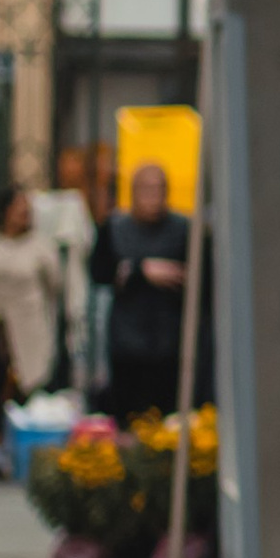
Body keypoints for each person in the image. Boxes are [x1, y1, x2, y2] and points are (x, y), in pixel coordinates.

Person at [93, 157, 201, 419]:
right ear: (133, 192)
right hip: (128, 346)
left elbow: (202, 280)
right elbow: (100, 273)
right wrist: (142, 271)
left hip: (171, 344)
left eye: (159, 189)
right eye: (147, 189)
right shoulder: (115, 228)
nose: (154, 197)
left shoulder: (184, 230)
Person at [0, 181, 66, 419]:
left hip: (27, 326)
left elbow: (56, 284)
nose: (24, 214)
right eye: (19, 208)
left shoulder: (41, 246)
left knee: (25, 388)